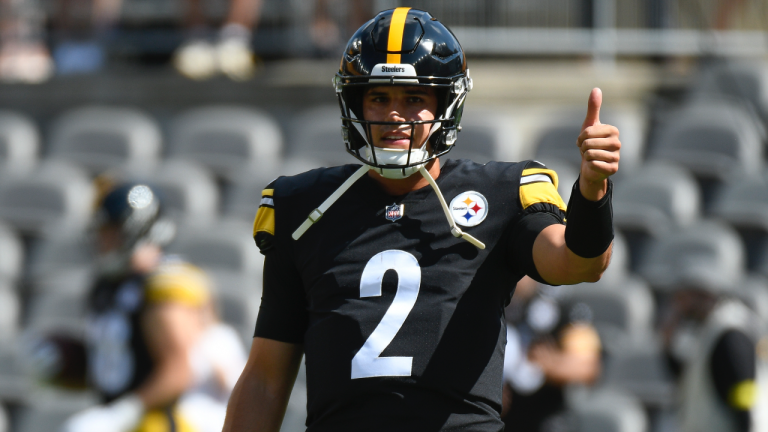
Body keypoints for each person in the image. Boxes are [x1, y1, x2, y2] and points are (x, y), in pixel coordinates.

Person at [223, 7, 620, 432]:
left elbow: (580, 263)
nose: (395, 114)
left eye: (414, 98)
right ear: (355, 102)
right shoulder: (303, 207)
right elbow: (265, 377)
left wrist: (592, 189)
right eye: (379, 98)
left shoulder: (501, 193)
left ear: (445, 105)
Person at [53, 182, 217, 432]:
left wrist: (121, 413)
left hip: (163, 423)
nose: (100, 240)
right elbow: (121, 362)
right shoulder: (108, 285)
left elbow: (180, 369)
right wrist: (66, 361)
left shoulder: (164, 285)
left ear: (134, 230)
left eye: (109, 231)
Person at [660, 284, 766, 432]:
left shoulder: (729, 333)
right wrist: (668, 350)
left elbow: (744, 392)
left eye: (683, 298)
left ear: (704, 295)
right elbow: (697, 382)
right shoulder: (710, 329)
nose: (679, 306)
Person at [501, 277, 601, 432]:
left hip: (547, 419)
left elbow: (587, 367)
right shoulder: (488, 303)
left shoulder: (560, 305)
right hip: (502, 419)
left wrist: (549, 364)